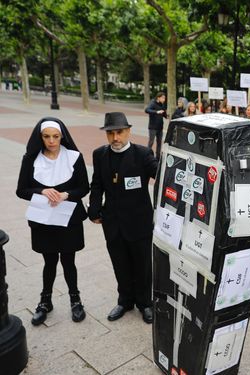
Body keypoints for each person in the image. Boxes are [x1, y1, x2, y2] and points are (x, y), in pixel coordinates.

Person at [16, 118, 89, 325]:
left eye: (55, 136)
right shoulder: (31, 160)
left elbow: (84, 188)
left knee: (68, 260)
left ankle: (75, 300)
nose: (51, 141)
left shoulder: (74, 157)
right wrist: (41, 190)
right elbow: (21, 190)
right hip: (43, 220)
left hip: (68, 219)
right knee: (49, 261)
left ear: (62, 136)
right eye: (46, 136)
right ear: (40, 137)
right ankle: (45, 301)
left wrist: (66, 194)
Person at [88, 112, 159, 324]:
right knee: (120, 263)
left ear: (128, 131)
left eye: (119, 132)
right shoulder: (99, 154)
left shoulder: (143, 154)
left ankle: (145, 303)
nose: (115, 138)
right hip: (113, 222)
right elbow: (97, 184)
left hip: (139, 222)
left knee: (143, 265)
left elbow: (162, 176)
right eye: (111, 133)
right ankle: (125, 300)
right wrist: (94, 209)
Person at [145, 91, 167, 159]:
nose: (164, 99)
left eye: (164, 98)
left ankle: (157, 157)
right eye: (163, 98)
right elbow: (147, 110)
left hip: (160, 127)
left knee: (159, 142)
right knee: (151, 142)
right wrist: (156, 112)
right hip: (153, 127)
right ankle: (147, 155)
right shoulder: (153, 103)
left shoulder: (162, 104)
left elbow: (163, 114)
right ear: (158, 97)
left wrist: (166, 115)